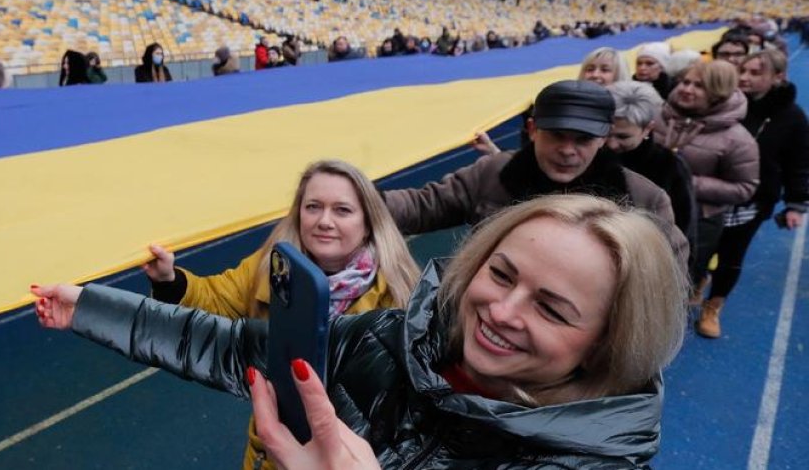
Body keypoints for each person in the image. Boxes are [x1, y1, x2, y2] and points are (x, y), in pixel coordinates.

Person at [34, 194, 687, 469]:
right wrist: (90, 306)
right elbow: (233, 345)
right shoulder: (392, 337)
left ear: (610, 341)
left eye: (552, 307)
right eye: (501, 272)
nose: (502, 310)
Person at [139, 159, 421, 470]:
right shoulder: (271, 268)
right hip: (270, 453)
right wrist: (169, 280)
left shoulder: (399, 294)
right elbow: (215, 298)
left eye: (342, 210)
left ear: (368, 221)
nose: (324, 221)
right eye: (313, 207)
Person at [386, 80, 690, 274]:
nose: (568, 150)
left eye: (583, 140)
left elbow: (668, 270)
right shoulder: (492, 172)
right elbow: (422, 205)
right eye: (557, 135)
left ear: (603, 139)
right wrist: (351, 199)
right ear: (532, 130)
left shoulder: (644, 199)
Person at [699, 51, 808, 338]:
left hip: (752, 201)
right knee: (701, 246)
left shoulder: (792, 117)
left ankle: (714, 305)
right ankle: (698, 280)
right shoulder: (723, 103)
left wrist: (796, 203)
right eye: (743, 71)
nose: (745, 77)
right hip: (711, 194)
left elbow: (798, 163)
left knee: (732, 256)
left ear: (778, 77)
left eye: (755, 73)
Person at [652, 60, 759, 297]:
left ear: (717, 93)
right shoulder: (659, 116)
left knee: (679, 280)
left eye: (698, 86)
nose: (686, 89)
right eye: (685, 82)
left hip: (698, 220)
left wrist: (687, 183)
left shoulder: (737, 139)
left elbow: (745, 187)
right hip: (649, 209)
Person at [605, 81, 697, 249]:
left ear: (648, 129)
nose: (611, 144)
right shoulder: (589, 155)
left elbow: (684, 228)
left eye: (623, 137)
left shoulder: (668, 165)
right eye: (606, 133)